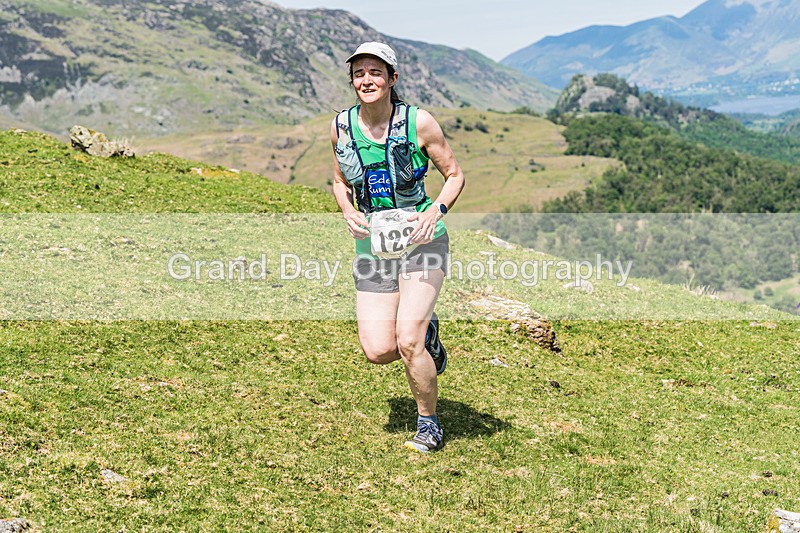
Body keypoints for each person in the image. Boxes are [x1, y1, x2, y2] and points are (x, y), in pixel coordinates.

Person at [330, 42, 465, 453]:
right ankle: (429, 336)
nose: (366, 81)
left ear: (392, 79)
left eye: (375, 73)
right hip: (374, 247)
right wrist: (347, 211)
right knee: (379, 350)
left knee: (407, 340)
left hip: (422, 241)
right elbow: (339, 180)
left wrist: (436, 210)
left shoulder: (419, 123)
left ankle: (429, 423)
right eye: (359, 74)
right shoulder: (341, 126)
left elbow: (455, 174)